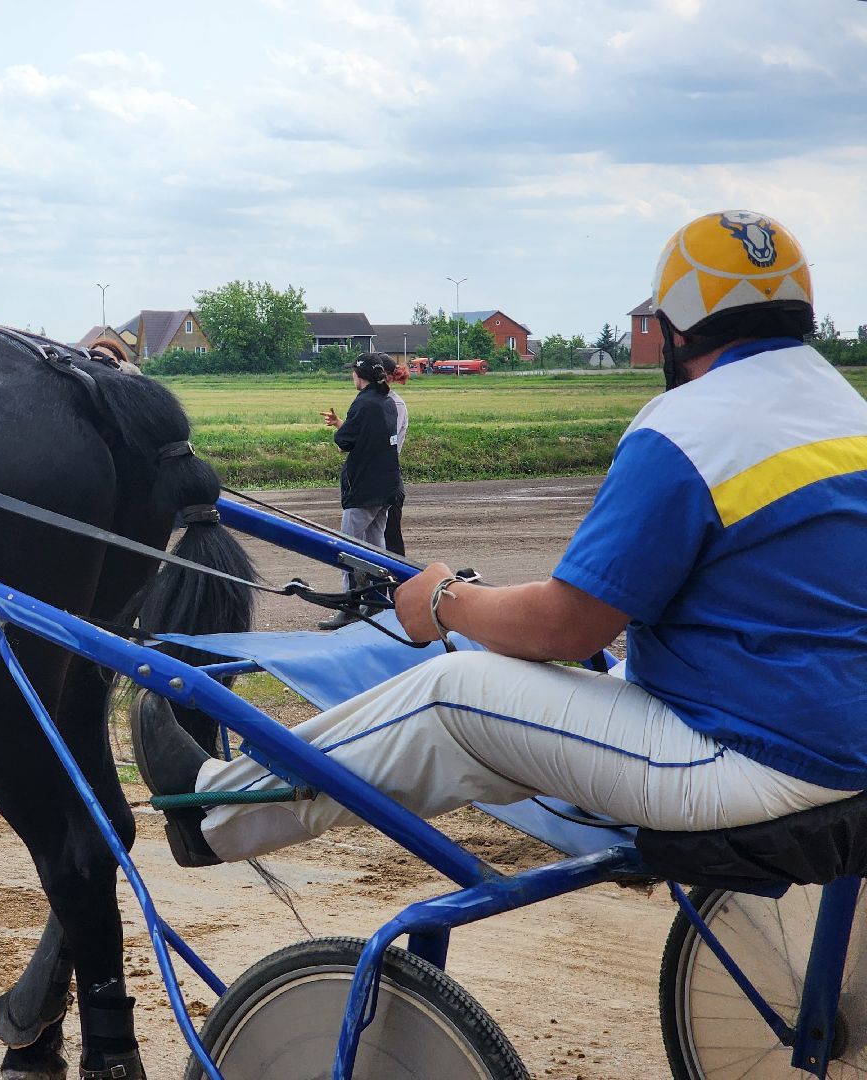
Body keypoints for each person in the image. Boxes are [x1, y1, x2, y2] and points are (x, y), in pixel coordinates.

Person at [135, 210, 867, 869]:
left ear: (677, 327)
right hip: (837, 736)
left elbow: (564, 625)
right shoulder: (847, 411)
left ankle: (216, 813)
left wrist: (446, 602)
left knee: (450, 692)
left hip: (753, 758)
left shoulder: (688, 427)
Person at [316, 353, 404, 629]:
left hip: (363, 487)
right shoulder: (387, 402)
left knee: (347, 548)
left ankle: (351, 606)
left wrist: (339, 431)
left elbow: (344, 443)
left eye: (353, 373)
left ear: (360, 375)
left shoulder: (363, 403)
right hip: (387, 485)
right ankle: (378, 602)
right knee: (377, 547)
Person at [383, 355, 410, 556]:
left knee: (390, 539)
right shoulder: (377, 401)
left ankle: (400, 585)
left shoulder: (395, 405)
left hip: (388, 475)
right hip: (378, 474)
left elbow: (385, 439)